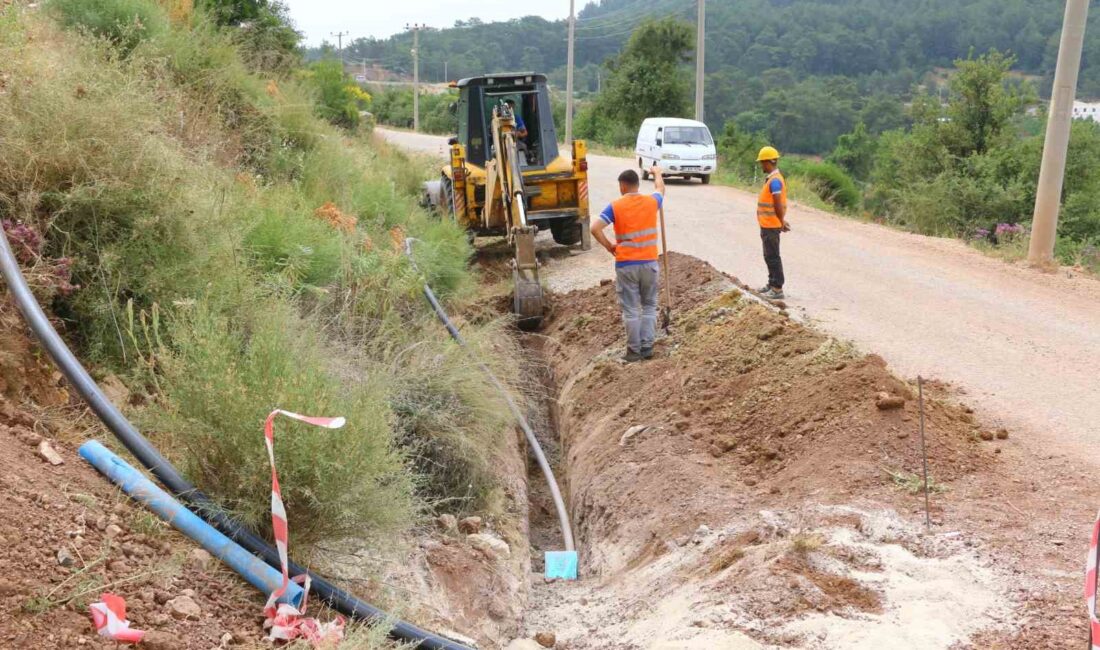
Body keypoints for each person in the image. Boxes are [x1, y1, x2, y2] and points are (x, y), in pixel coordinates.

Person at [591, 167, 665, 363]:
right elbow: (660, 189)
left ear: (623, 186)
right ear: (637, 185)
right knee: (649, 305)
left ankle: (633, 351)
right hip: (649, 262)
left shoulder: (615, 206)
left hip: (626, 265)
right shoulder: (651, 201)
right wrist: (657, 173)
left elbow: (594, 228)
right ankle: (647, 347)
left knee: (631, 309)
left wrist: (609, 246)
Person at [755, 146, 789, 300]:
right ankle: (772, 283)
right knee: (769, 255)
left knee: (773, 256)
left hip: (771, 225)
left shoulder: (775, 181)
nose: (761, 165)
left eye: (762, 162)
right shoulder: (772, 179)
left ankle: (777, 288)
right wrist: (782, 220)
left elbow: (777, 204)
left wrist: (781, 221)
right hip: (768, 224)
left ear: (769, 162)